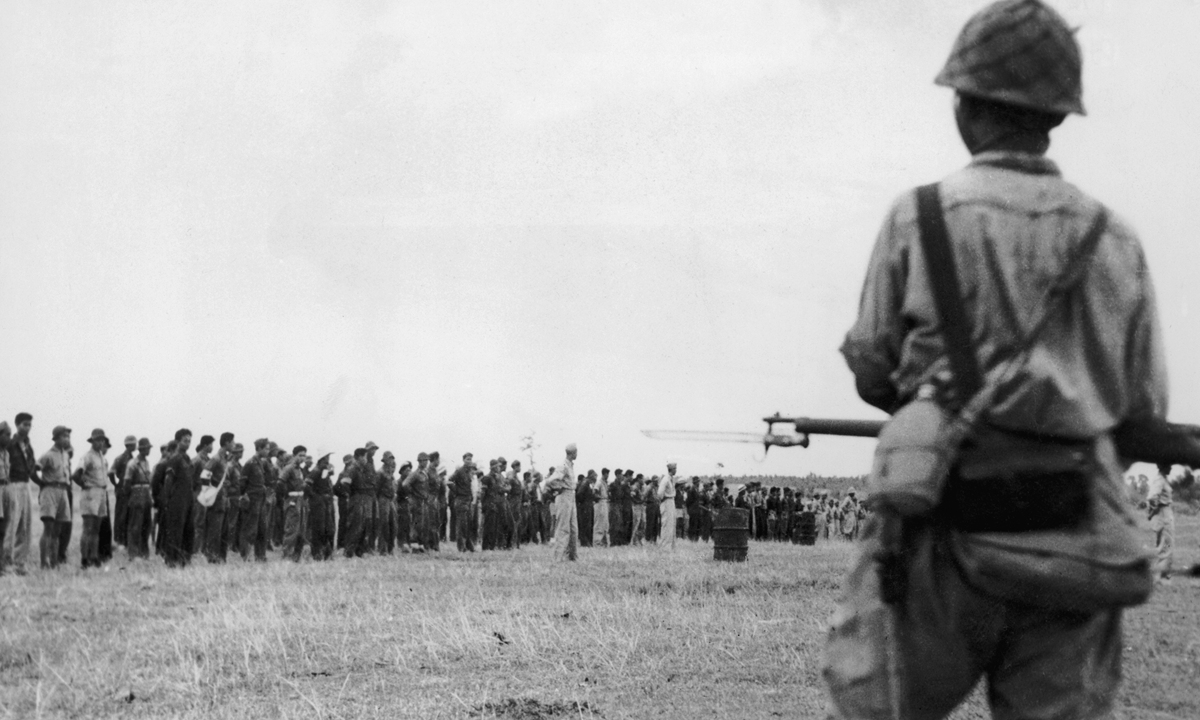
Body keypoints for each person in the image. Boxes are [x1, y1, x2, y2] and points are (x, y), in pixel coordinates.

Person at [825, 3, 1168, 718]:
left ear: (966, 106)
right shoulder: (1116, 240)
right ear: (1058, 115)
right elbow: (1141, 412)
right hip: (1073, 539)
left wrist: (936, 412)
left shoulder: (918, 217)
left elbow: (871, 364)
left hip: (938, 528)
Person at [4, 413, 39, 574]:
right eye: (25, 424)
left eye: (29, 425)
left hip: (26, 485)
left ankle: (20, 562)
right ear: (17, 425)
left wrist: (41, 483)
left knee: (25, 525)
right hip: (13, 484)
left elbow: (31, 467)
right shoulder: (10, 444)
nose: (28, 427)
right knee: (12, 524)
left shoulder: (28, 444)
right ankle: (5, 561)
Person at [36, 425, 73, 569]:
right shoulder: (48, 455)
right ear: (56, 438)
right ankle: (43, 563)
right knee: (48, 528)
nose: (67, 439)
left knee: (58, 530)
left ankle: (54, 561)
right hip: (50, 490)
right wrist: (42, 483)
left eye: (68, 436)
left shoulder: (65, 455)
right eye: (64, 436)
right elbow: (34, 469)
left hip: (63, 491)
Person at [74, 428, 112, 569]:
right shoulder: (87, 456)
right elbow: (76, 474)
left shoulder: (101, 457)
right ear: (93, 441)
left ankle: (94, 557)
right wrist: (85, 485)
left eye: (102, 440)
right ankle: (85, 559)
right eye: (98, 440)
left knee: (96, 528)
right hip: (91, 492)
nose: (101, 442)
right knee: (88, 528)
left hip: (101, 492)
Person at [161, 429, 196, 568]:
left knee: (188, 530)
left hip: (188, 499)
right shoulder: (174, 459)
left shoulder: (186, 458)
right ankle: (172, 561)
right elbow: (168, 480)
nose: (188, 444)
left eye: (189, 441)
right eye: (185, 441)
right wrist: (167, 500)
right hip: (177, 500)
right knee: (176, 530)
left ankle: (184, 561)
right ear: (178, 441)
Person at [239, 439, 271, 562]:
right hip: (252, 501)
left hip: (261, 500)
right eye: (266, 449)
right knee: (250, 530)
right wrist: (244, 496)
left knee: (262, 529)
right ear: (259, 449)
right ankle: (245, 556)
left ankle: (260, 556)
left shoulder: (261, 463)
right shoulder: (250, 463)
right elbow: (242, 483)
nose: (268, 451)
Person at [122, 438, 154, 559]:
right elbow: (126, 483)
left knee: (146, 526)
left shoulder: (147, 462)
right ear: (141, 449)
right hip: (136, 493)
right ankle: (133, 554)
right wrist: (132, 497)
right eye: (147, 448)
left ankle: (144, 553)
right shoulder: (132, 463)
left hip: (146, 494)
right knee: (135, 526)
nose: (149, 450)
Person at [546, 444, 579, 561]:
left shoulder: (570, 466)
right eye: (576, 452)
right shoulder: (563, 466)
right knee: (563, 528)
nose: (577, 454)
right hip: (564, 496)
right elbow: (550, 481)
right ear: (571, 453)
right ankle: (558, 557)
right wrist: (558, 488)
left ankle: (572, 556)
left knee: (573, 528)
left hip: (571, 495)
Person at [110, 435, 136, 548]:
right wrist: (115, 484)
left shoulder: (131, 458)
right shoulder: (121, 458)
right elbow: (111, 472)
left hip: (129, 488)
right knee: (122, 515)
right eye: (134, 444)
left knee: (128, 514)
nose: (136, 446)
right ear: (130, 445)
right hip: (123, 488)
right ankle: (120, 541)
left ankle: (124, 541)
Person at [449, 453, 476, 552]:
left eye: (471, 459)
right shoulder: (459, 471)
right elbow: (449, 481)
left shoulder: (469, 471)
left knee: (468, 524)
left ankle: (469, 546)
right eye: (467, 459)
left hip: (468, 500)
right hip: (461, 500)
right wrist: (457, 491)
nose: (469, 461)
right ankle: (461, 547)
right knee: (461, 525)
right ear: (463, 460)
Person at [657, 463, 678, 549]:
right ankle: (665, 546)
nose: (676, 470)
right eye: (674, 469)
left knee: (672, 524)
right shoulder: (665, 479)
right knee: (667, 525)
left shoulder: (671, 479)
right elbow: (659, 493)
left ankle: (671, 546)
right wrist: (663, 499)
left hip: (671, 501)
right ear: (671, 469)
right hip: (666, 502)